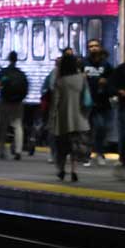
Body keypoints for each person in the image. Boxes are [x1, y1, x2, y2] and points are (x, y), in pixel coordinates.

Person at [50, 53, 90, 182]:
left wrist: (51, 118)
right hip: (79, 118)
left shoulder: (60, 81)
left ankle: (61, 170)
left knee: (62, 147)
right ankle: (74, 171)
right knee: (75, 146)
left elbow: (55, 101)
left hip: (63, 119)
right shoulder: (82, 78)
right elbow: (87, 98)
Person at [0, 51, 28, 161]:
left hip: (5, 102)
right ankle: (18, 151)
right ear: (17, 59)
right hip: (18, 103)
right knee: (18, 126)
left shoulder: (4, 73)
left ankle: (1, 150)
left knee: (3, 126)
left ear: (9, 59)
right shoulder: (21, 74)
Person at [82, 40, 113, 167]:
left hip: (102, 102)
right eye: (90, 46)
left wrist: (106, 83)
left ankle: (99, 153)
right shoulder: (83, 63)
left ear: (100, 48)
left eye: (95, 46)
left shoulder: (106, 65)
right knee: (88, 130)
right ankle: (88, 155)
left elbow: (113, 80)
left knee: (101, 128)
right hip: (87, 102)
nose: (93, 48)